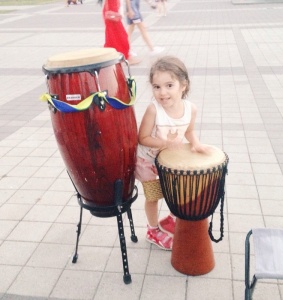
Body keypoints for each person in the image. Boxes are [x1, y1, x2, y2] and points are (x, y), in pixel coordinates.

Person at [135, 56, 208, 250]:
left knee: (175, 190)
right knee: (153, 196)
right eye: (156, 87)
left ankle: (171, 218)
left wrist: (196, 144)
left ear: (183, 85)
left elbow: (189, 131)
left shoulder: (190, 109)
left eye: (169, 85)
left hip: (167, 160)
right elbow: (142, 138)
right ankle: (152, 230)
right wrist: (165, 143)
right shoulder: (154, 110)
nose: (162, 92)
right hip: (147, 160)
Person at [100, 0, 141, 65]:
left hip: (112, 14)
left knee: (112, 37)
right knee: (120, 36)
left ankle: (110, 56)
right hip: (112, 15)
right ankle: (126, 57)